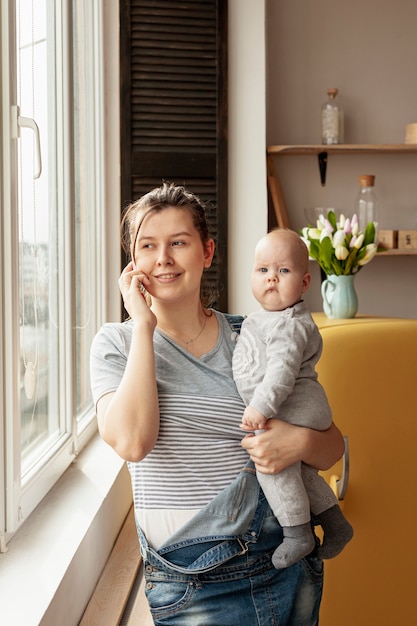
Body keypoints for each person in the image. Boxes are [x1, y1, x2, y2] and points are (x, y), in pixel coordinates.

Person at [90, 183, 346, 626]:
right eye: (148, 246)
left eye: (179, 243)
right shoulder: (118, 343)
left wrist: (298, 441)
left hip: (283, 562)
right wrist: (144, 326)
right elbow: (133, 442)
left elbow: (332, 446)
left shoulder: (254, 334)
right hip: (191, 587)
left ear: (207, 252)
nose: (164, 258)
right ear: (133, 265)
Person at [232, 229, 353, 570]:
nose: (271, 277)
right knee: (297, 473)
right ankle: (335, 524)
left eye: (283, 271)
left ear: (304, 283)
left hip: (294, 405)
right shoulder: (262, 319)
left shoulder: (289, 325)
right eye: (262, 270)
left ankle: (298, 532)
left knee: (272, 464)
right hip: (296, 407)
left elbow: (281, 374)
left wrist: (260, 408)